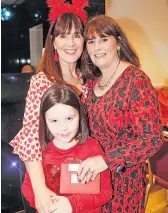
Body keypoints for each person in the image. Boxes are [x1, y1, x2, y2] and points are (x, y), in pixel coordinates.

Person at [77, 15, 164, 213]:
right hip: (94, 180)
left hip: (124, 183)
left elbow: (153, 138)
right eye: (91, 41)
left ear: (118, 43)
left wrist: (107, 161)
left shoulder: (135, 79)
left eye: (104, 39)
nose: (97, 47)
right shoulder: (92, 83)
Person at [9, 0, 89, 212]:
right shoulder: (43, 81)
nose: (70, 43)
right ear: (53, 42)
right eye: (63, 35)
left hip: (79, 174)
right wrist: (40, 189)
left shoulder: (85, 80)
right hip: (50, 174)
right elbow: (30, 136)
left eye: (76, 35)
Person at [22, 84, 112, 213]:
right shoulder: (40, 151)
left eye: (69, 118)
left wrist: (72, 204)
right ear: (44, 121)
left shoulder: (92, 147)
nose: (63, 128)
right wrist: (47, 205)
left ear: (80, 115)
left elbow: (106, 192)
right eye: (54, 121)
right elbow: (28, 187)